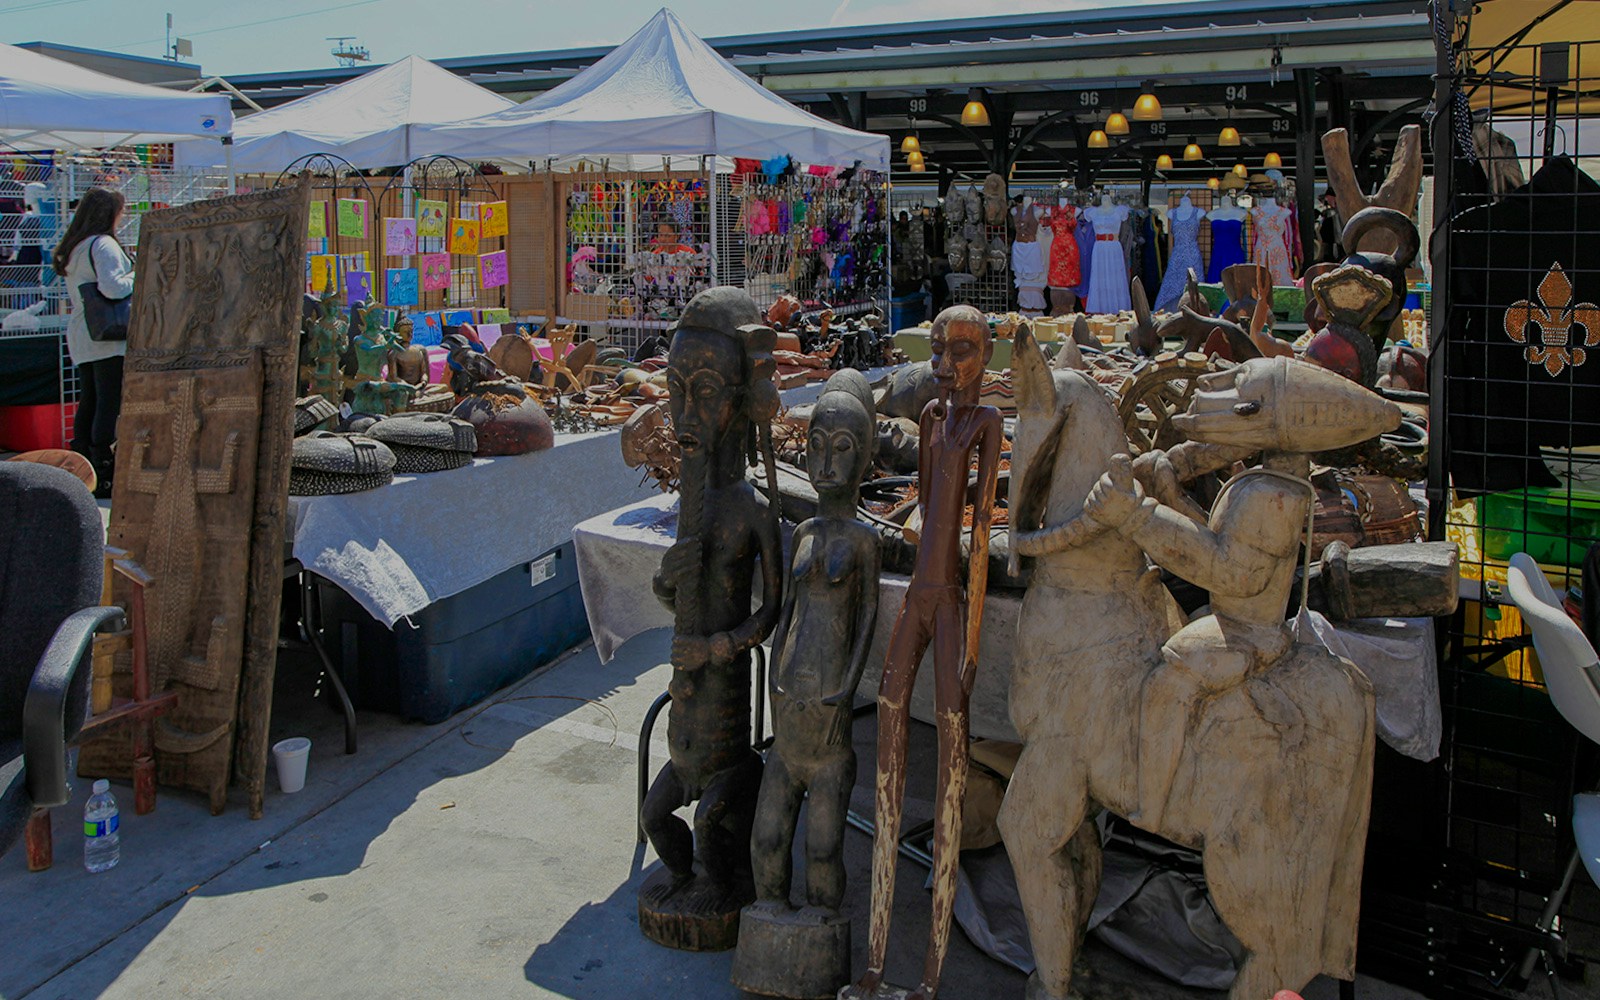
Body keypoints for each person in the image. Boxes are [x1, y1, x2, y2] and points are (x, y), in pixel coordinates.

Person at [55, 187, 134, 497]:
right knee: (108, 400)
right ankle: (102, 468)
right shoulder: (103, 245)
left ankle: (83, 465)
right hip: (107, 334)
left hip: (82, 331)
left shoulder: (74, 246)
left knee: (89, 399)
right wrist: (139, 274)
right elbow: (114, 288)